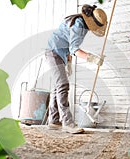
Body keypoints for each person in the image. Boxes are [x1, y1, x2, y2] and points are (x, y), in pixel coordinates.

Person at [45, 4, 107, 133]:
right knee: (63, 85)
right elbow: (75, 49)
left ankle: (54, 120)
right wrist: (93, 58)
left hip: (58, 53)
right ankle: (67, 123)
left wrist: (68, 63)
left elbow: (68, 44)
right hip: (53, 52)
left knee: (57, 87)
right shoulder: (79, 25)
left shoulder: (79, 22)